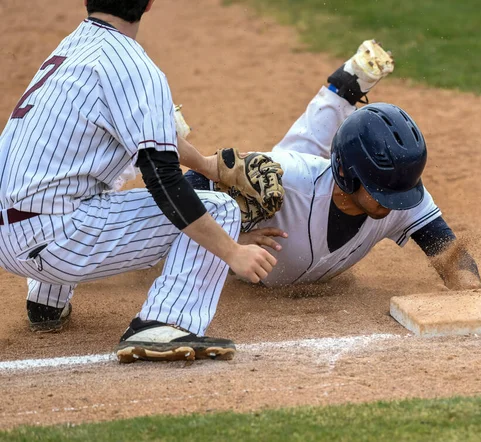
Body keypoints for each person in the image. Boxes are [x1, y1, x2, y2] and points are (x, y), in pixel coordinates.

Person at [0, 0, 277, 363]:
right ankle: (164, 322)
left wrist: (208, 166)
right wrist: (232, 252)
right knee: (220, 208)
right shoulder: (134, 66)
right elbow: (163, 181)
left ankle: (46, 302)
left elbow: (155, 133)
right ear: (148, 5)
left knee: (78, 170)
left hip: (8, 238)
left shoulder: (70, 49)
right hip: (56, 241)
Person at [186, 40, 481, 290]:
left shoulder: (400, 189)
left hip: (308, 179)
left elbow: (447, 252)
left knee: (304, 151)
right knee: (286, 168)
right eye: (381, 192)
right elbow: (187, 185)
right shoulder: (287, 176)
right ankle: (343, 87)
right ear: (347, 176)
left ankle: (347, 85)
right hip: (295, 180)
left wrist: (469, 286)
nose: (393, 205)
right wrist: (228, 242)